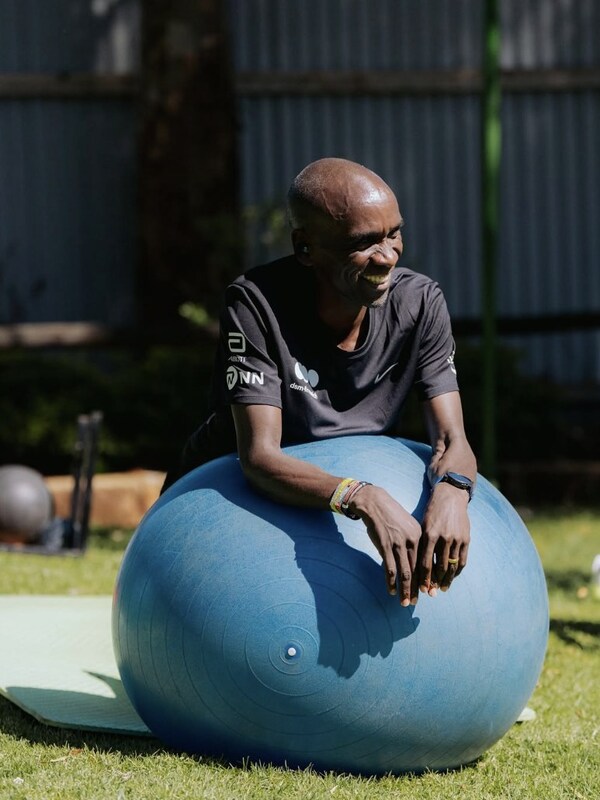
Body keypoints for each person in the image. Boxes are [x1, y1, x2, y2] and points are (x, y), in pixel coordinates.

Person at [163, 157, 477, 608]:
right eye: (363, 242)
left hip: (335, 499)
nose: (387, 256)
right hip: (220, 509)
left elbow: (451, 438)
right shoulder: (255, 304)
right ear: (306, 248)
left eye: (394, 233)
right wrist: (363, 497)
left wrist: (454, 491)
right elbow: (259, 457)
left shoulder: (421, 304)